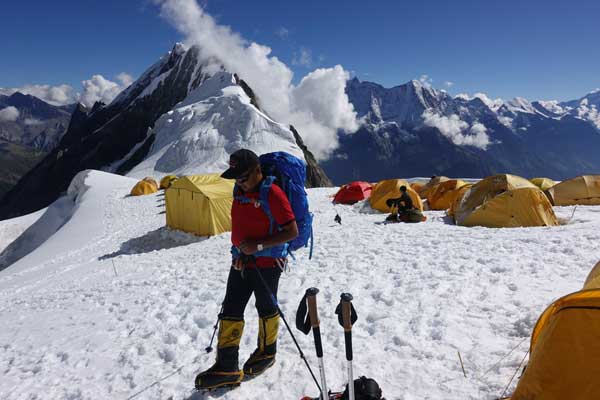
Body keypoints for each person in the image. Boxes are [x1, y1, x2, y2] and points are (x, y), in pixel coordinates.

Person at [195, 149, 298, 390]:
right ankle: (227, 366)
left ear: (257, 171)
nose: (239, 182)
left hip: (268, 264)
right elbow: (242, 227)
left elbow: (291, 231)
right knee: (231, 308)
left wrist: (257, 246)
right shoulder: (239, 191)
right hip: (242, 261)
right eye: (235, 178)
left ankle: (267, 352)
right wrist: (239, 253)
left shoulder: (273, 193)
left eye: (243, 177)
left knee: (266, 308)